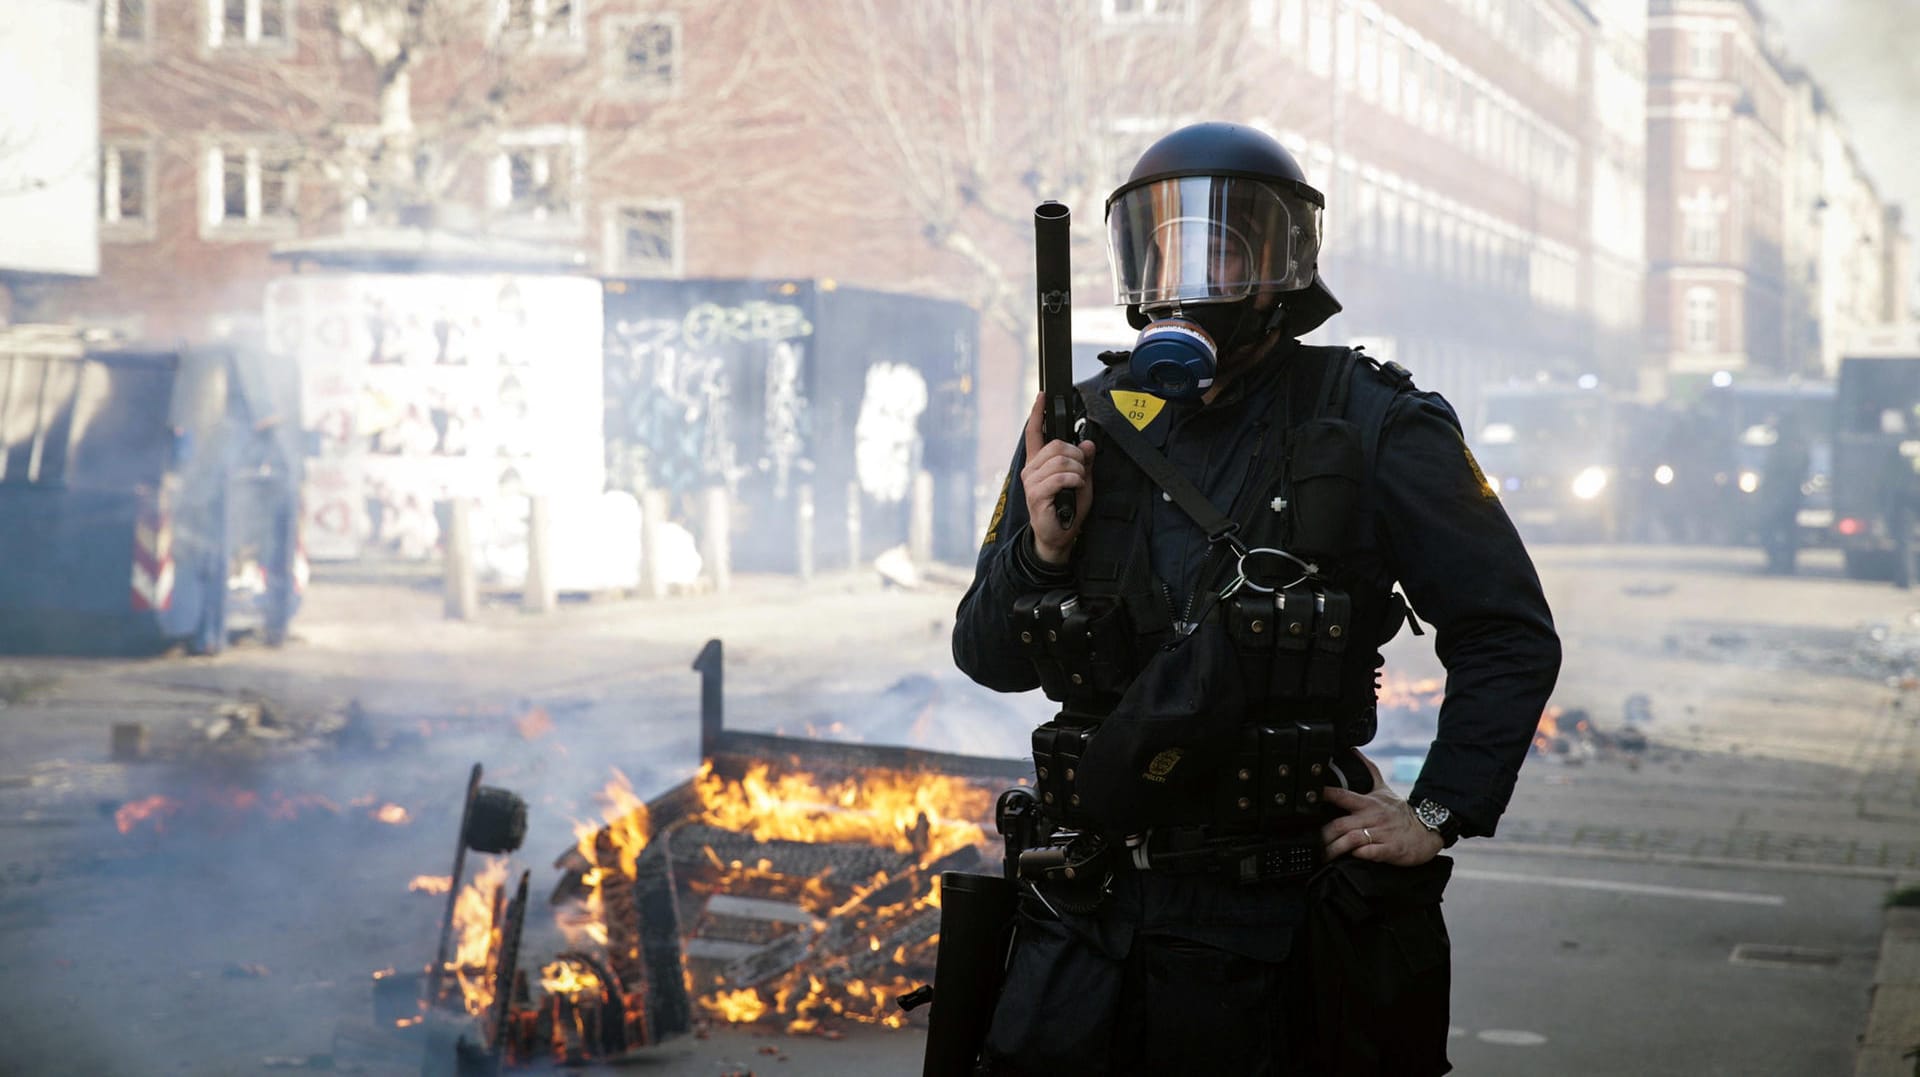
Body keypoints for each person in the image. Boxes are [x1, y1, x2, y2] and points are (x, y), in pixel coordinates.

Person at [951, 122, 1562, 1075]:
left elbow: (1507, 634)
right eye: (1167, 246)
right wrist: (1042, 545)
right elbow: (985, 653)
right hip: (1082, 916)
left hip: (1267, 931)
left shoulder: (1373, 420)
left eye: (1224, 249)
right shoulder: (1078, 425)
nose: (1192, 274)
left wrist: (1439, 810)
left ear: (1284, 268)